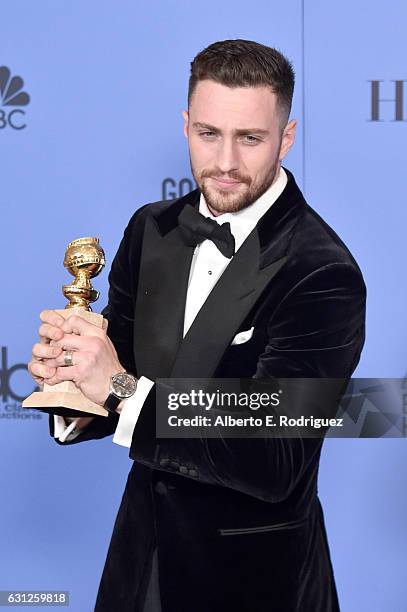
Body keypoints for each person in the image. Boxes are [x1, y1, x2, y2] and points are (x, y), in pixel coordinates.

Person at [28, 39, 366, 612]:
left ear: (286, 137)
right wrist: (72, 383)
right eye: (209, 134)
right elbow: (120, 372)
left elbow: (273, 458)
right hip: (140, 564)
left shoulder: (322, 272)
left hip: (255, 582)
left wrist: (119, 386)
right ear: (186, 125)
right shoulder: (151, 230)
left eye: (250, 138)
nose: (227, 162)